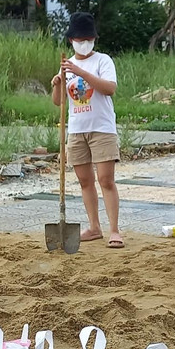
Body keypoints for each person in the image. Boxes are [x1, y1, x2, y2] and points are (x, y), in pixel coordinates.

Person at [51, 12, 124, 249]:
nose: (84, 43)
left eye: (88, 39)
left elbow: (109, 88)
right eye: (80, 39)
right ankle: (94, 227)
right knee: (85, 180)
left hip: (101, 128)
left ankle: (114, 230)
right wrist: (57, 84)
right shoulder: (66, 65)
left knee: (105, 179)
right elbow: (59, 102)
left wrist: (80, 72)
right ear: (71, 40)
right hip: (77, 129)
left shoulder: (103, 61)